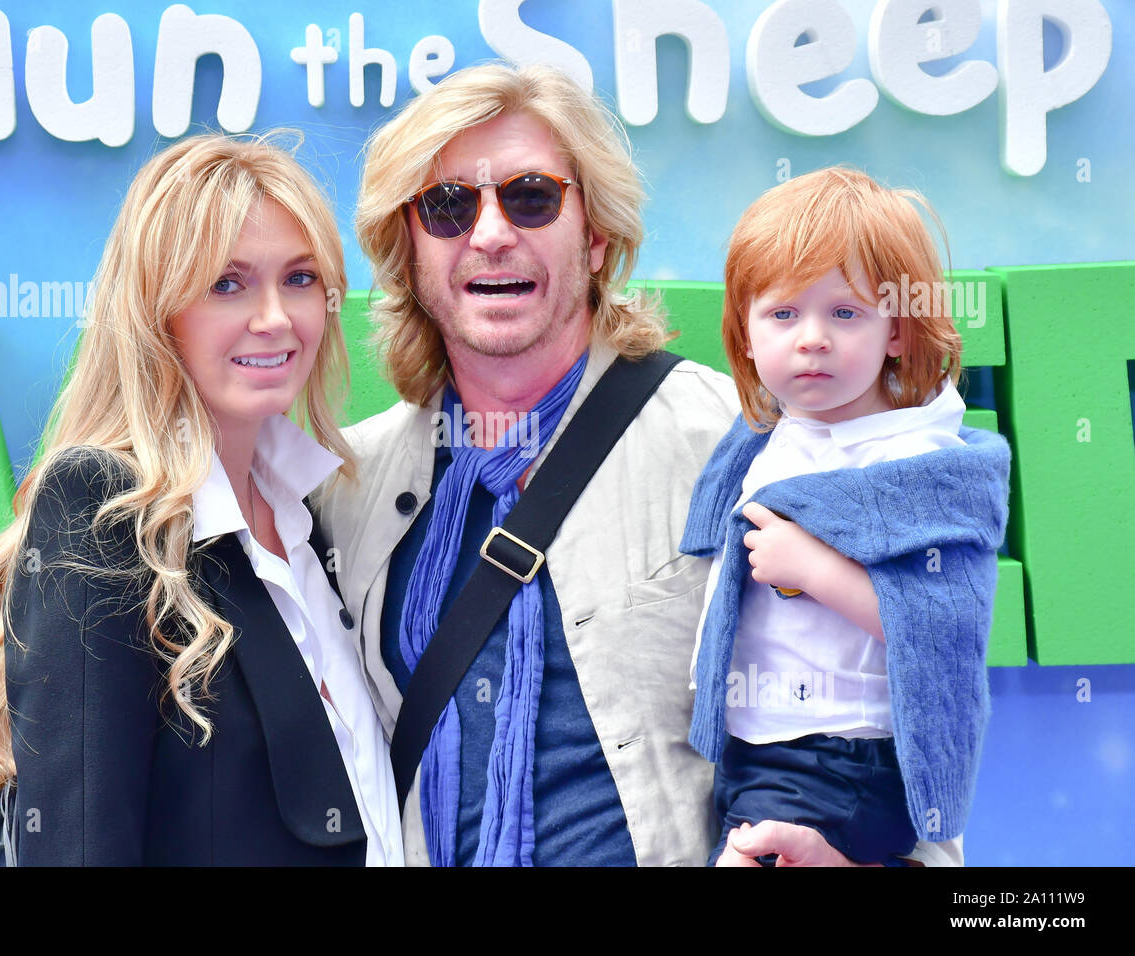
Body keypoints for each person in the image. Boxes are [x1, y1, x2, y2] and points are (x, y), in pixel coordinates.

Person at [316, 62, 961, 865]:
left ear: (595, 236)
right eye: (447, 206)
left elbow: (896, 710)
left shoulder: (746, 441)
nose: (488, 232)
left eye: (530, 195)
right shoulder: (346, 488)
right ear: (408, 250)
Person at [0, 133, 403, 865]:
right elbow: (80, 848)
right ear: (157, 314)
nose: (276, 318)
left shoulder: (313, 512)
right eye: (227, 284)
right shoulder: (101, 512)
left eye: (298, 279)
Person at [683, 167, 1010, 866]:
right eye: (782, 314)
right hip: (757, 745)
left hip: (848, 753)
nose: (812, 339)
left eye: (846, 313)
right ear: (744, 332)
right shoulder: (761, 442)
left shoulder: (920, 459)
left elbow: (944, 625)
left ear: (897, 330)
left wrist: (816, 569)